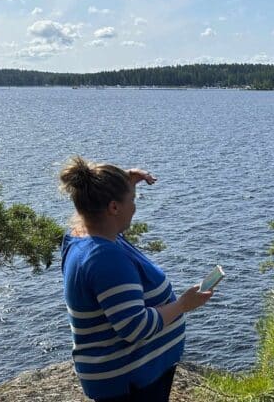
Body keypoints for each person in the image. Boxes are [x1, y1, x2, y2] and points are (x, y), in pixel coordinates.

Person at [58, 156, 213, 401]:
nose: (134, 206)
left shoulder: (85, 238)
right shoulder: (104, 258)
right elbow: (134, 327)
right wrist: (183, 305)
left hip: (130, 375)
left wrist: (124, 182)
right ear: (113, 208)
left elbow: (99, 205)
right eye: (132, 200)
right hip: (129, 384)